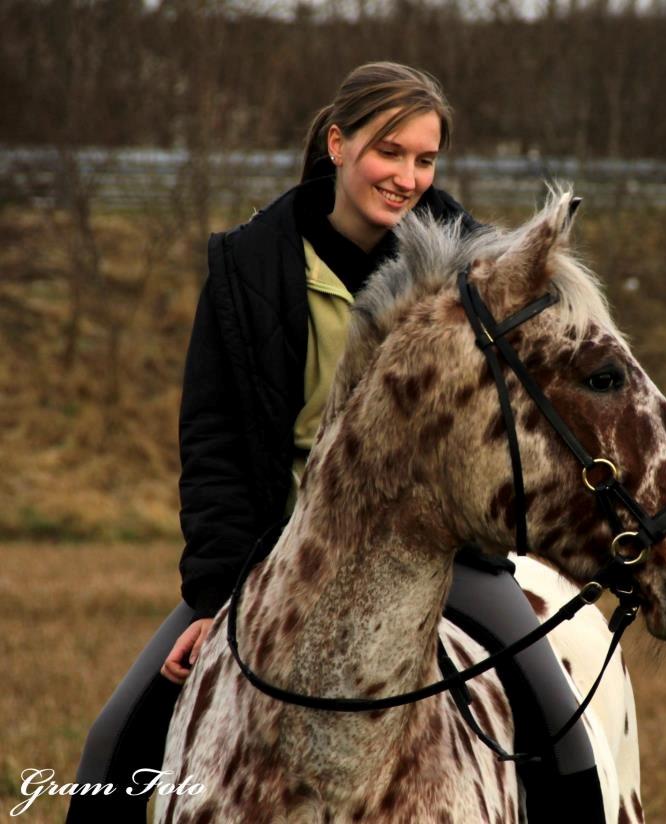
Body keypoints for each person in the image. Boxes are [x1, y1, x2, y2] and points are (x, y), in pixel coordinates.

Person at [67, 61, 603, 824]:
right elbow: (214, 442)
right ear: (339, 142)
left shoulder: (472, 268)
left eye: (426, 159)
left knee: (564, 734)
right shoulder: (247, 265)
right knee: (109, 751)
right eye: (391, 152)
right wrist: (218, 594)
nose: (408, 177)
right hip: (274, 550)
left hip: (435, 547)